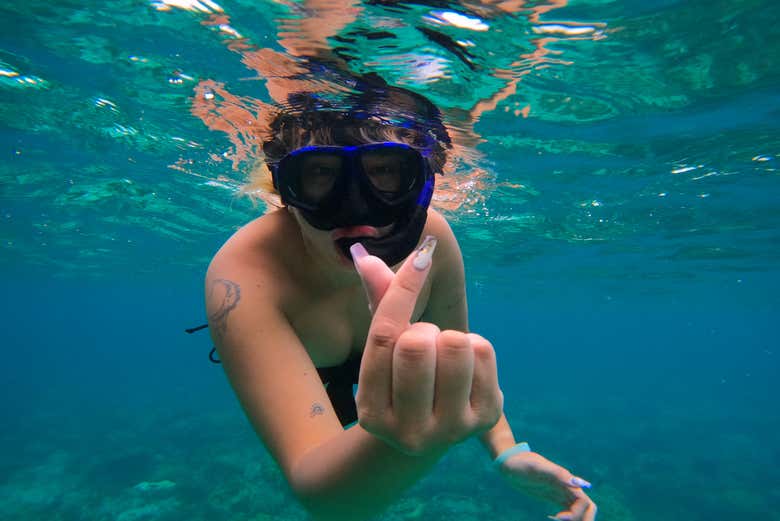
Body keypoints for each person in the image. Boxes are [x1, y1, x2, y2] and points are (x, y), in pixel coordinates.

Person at [204, 72, 596, 521]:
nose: (355, 210)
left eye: (387, 172)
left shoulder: (432, 237)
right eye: (319, 174)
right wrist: (407, 441)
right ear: (284, 188)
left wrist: (508, 452)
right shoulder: (245, 271)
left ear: (421, 183)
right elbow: (320, 494)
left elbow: (457, 361)